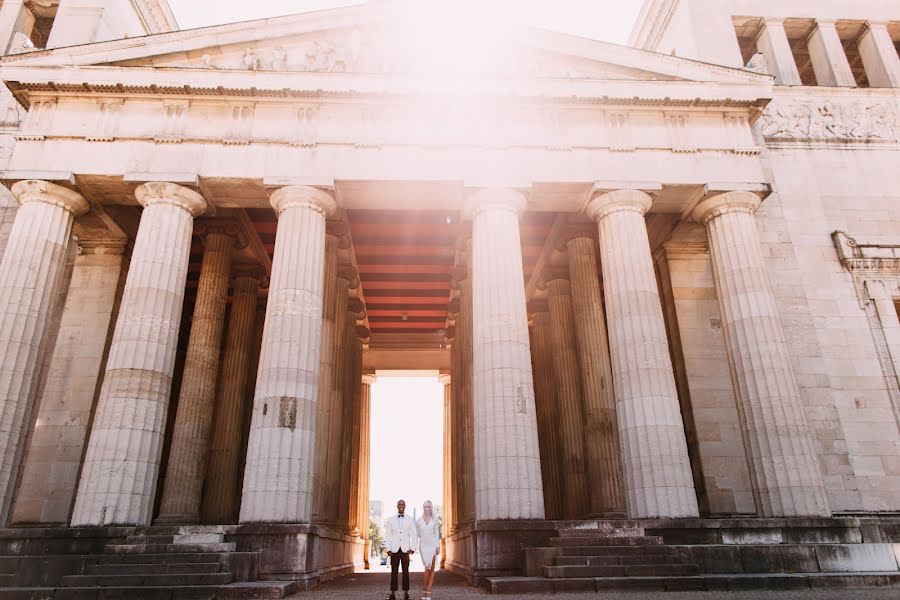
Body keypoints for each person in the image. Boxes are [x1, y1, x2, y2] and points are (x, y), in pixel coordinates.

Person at [384, 499, 417, 600]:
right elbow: (388, 535)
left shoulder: (410, 519)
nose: (401, 506)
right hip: (394, 549)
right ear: (397, 506)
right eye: (399, 504)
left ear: (405, 506)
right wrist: (388, 548)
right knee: (394, 572)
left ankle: (406, 594)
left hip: (405, 550)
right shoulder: (391, 519)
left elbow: (414, 535)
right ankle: (392, 594)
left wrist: (413, 548)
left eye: (403, 504)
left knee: (406, 571)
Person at [416, 500, 441, 600]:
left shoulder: (435, 520)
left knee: (432, 569)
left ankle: (428, 592)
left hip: (432, 545)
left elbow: (436, 534)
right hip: (423, 546)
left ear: (431, 508)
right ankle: (424, 589)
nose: (427, 508)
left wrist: (437, 546)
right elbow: (416, 534)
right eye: (425, 507)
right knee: (427, 568)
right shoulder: (418, 520)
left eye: (428, 507)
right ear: (423, 508)